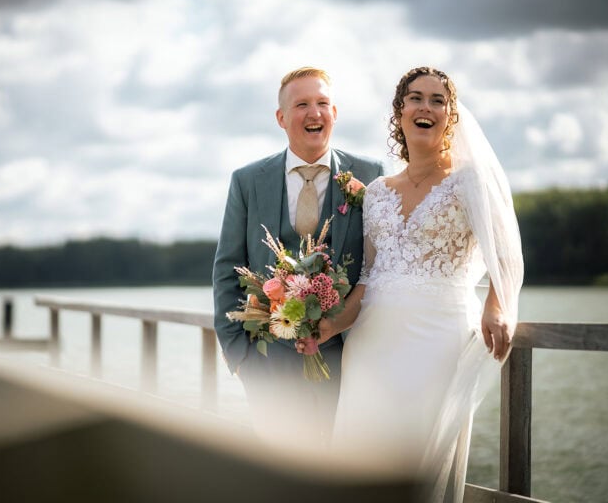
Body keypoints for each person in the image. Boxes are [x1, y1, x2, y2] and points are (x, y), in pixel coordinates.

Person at [302, 67, 524, 501]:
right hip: (370, 347)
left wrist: (497, 305)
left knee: (418, 464)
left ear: (450, 116)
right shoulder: (379, 191)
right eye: (415, 98)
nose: (426, 107)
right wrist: (330, 325)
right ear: (400, 113)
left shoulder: (470, 181)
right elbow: (368, 277)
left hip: (437, 339)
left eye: (438, 100)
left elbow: (506, 254)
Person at [212, 67, 384, 444]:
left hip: (349, 358)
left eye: (322, 103)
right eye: (301, 104)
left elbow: (383, 266)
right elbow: (227, 269)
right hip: (268, 361)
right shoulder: (247, 181)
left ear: (335, 113)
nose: (314, 113)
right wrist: (239, 356)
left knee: (339, 470)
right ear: (281, 117)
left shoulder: (372, 175)